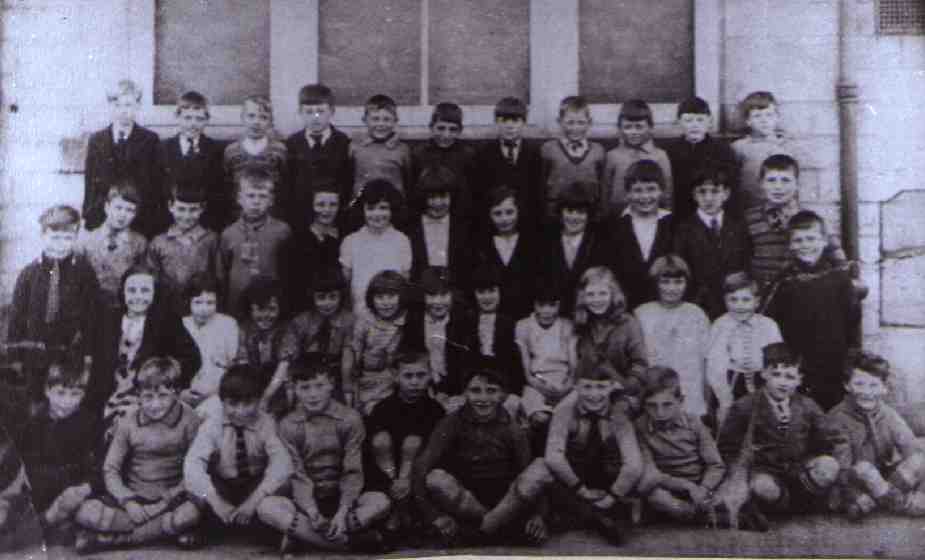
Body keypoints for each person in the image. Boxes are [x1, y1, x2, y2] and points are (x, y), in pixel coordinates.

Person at [258, 359, 391, 554]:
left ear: (331, 384)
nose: (313, 394)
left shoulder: (350, 419)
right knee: (266, 507)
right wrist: (311, 512)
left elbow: (352, 470)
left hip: (342, 499)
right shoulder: (289, 425)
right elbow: (298, 474)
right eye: (305, 388)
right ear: (294, 388)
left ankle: (305, 538)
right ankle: (349, 543)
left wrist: (342, 511)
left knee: (380, 502)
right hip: (304, 502)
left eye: (319, 386)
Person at [73, 357, 202, 553]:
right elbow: (111, 468)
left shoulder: (190, 419)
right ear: (138, 395)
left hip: (174, 496)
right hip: (135, 497)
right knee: (85, 512)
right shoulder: (129, 420)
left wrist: (163, 503)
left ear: (176, 393)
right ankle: (166, 530)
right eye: (148, 397)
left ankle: (111, 541)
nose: (155, 404)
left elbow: (196, 469)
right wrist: (128, 500)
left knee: (192, 512)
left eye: (163, 396)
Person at [412, 368, 546, 547]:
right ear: (464, 393)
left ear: (503, 395)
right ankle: (498, 530)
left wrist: (538, 515)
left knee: (540, 467)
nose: (483, 398)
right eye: (475, 391)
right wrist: (434, 516)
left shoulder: (512, 429)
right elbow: (421, 467)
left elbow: (526, 476)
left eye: (491, 391)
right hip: (467, 501)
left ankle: (482, 532)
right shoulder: (451, 423)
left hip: (504, 501)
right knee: (435, 478)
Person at [518, 360, 643, 545]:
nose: (594, 395)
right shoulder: (565, 410)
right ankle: (597, 517)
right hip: (573, 474)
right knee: (546, 478)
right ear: (576, 386)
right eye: (587, 387)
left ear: (612, 387)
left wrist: (610, 498)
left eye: (601, 387)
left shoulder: (618, 412)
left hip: (605, 472)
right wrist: (582, 491)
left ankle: (594, 512)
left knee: (633, 476)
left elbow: (633, 465)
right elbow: (554, 458)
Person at [717, 343, 839, 519]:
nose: (782, 382)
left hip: (798, 469)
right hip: (763, 470)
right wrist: (739, 475)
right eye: (776, 375)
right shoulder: (745, 406)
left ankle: (800, 503)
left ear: (799, 380)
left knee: (829, 466)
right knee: (763, 487)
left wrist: (816, 460)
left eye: (789, 377)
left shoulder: (808, 406)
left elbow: (826, 440)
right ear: (764, 373)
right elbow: (728, 447)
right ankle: (775, 507)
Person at [763, 210, 862, 411]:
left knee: (832, 408)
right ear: (790, 245)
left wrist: (850, 357)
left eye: (811, 239)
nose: (805, 245)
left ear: (824, 241)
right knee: (800, 409)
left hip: (833, 357)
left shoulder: (839, 277)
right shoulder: (785, 280)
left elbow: (853, 317)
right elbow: (771, 320)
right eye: (798, 240)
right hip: (797, 358)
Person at [183, 365, 293, 543]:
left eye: (248, 403)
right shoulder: (212, 424)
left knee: (282, 486)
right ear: (222, 401)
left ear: (259, 401)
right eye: (233, 404)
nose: (240, 411)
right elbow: (193, 463)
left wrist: (254, 501)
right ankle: (208, 528)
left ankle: (261, 530)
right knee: (195, 492)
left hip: (254, 485)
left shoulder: (267, 423)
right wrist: (215, 500)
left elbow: (281, 464)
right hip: (223, 486)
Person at [91, 263, 201, 428]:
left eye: (145, 291)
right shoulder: (109, 319)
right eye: (132, 291)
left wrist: (163, 376)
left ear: (154, 293)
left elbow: (193, 358)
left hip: (147, 395)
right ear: (123, 292)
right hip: (107, 393)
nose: (138, 297)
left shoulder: (166, 321)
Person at [8, 205, 100, 400]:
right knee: (36, 399)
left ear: (75, 238)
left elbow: (92, 315)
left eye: (68, 238)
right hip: (36, 349)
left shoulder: (84, 272)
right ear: (43, 236)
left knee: (67, 398)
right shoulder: (29, 273)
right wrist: (15, 354)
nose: (60, 245)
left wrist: (89, 353)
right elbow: (17, 315)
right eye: (55, 238)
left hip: (70, 351)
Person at [823, 351, 925, 519]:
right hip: (852, 483)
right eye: (859, 384)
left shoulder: (888, 414)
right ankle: (902, 504)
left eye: (873, 385)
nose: (866, 392)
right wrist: (854, 495)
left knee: (919, 460)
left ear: (884, 388)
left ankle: (885, 501)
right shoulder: (837, 418)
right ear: (847, 385)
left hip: (883, 482)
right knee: (864, 469)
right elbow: (842, 469)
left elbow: (911, 449)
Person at [363, 350, 446, 540]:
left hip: (417, 476)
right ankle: (400, 513)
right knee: (380, 440)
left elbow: (436, 452)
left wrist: (408, 480)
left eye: (421, 375)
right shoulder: (383, 409)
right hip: (388, 478)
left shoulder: (434, 411)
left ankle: (402, 516)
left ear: (430, 375)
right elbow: (370, 452)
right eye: (408, 376)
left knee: (413, 443)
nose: (415, 382)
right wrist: (392, 483)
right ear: (395, 376)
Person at [18, 357, 100, 545]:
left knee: (77, 503)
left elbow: (96, 464)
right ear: (47, 390)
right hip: (41, 486)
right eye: (60, 393)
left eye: (75, 394)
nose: (67, 402)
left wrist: (85, 486)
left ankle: (45, 525)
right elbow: (26, 463)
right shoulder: (35, 424)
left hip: (73, 486)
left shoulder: (89, 422)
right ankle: (45, 523)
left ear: (83, 394)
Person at [634, 367, 729, 526]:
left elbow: (716, 465)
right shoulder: (640, 427)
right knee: (658, 498)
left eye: (667, 405)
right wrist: (686, 486)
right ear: (643, 404)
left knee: (729, 491)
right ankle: (706, 518)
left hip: (701, 485)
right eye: (652, 405)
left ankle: (697, 512)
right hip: (668, 486)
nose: (660, 412)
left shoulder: (694, 423)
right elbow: (651, 473)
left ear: (680, 401)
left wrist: (703, 488)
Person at [83, 79, 164, 237]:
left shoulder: (150, 140)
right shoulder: (97, 140)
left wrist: (152, 221)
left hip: (138, 219)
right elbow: (90, 182)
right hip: (103, 217)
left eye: (128, 105)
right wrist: (89, 217)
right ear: (110, 106)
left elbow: (155, 185)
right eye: (117, 105)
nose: (123, 111)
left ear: (137, 106)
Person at [634, 255, 711, 419]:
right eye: (665, 282)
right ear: (656, 283)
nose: (672, 288)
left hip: (690, 393)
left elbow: (705, 361)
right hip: (654, 394)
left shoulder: (696, 314)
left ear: (686, 283)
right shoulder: (642, 314)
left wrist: (707, 399)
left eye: (678, 282)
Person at [672, 163, 750, 319]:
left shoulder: (738, 227)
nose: (708, 198)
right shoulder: (684, 229)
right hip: (697, 306)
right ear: (694, 195)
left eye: (715, 191)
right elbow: (681, 270)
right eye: (702, 192)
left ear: (726, 194)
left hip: (733, 305)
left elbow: (744, 263)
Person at [705, 272, 782, 428]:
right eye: (733, 300)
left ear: (757, 302)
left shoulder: (768, 325)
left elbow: (777, 359)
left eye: (746, 300)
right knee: (733, 422)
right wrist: (724, 397)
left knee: (763, 422)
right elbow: (715, 365)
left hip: (762, 382)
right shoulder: (721, 325)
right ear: (725, 301)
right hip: (732, 382)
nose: (739, 305)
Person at [217, 164, 293, 315]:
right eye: (251, 196)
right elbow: (221, 275)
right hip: (236, 306)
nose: (256, 202)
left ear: (271, 200)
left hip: (270, 307)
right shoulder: (229, 234)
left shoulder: (282, 231)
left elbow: (289, 273)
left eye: (262, 196)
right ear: (239, 199)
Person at [602, 159, 674, 311]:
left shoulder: (672, 223)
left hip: (664, 307)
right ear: (628, 193)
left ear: (661, 191)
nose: (645, 196)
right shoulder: (613, 226)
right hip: (625, 308)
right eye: (638, 190)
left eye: (651, 189)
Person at [573, 267, 648, 408]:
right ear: (583, 297)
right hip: (588, 393)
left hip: (623, 394)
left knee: (617, 418)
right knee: (565, 414)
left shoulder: (627, 322)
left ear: (613, 294)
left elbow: (640, 364)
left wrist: (628, 385)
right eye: (591, 294)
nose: (597, 300)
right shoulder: (582, 324)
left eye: (603, 293)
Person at [516, 281, 577, 451]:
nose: (546, 311)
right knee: (540, 418)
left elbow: (574, 367)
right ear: (534, 304)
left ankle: (558, 457)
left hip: (564, 382)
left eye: (552, 305)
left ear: (559, 305)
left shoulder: (567, 325)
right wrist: (541, 388)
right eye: (541, 305)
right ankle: (538, 455)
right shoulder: (523, 326)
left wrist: (564, 389)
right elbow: (526, 371)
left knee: (566, 421)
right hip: (536, 383)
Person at [403, 267, 475, 409]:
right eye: (432, 295)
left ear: (452, 295)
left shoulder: (462, 320)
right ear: (423, 296)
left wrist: (461, 394)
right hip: (424, 387)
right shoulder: (414, 321)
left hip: (457, 389)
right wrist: (429, 391)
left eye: (444, 295)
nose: (438, 302)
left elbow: (468, 364)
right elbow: (411, 358)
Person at [471, 97, 543, 234]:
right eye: (504, 121)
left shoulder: (534, 153)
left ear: (524, 123)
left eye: (515, 121)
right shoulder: (484, 153)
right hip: (495, 224)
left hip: (526, 224)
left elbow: (536, 192)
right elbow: (480, 192)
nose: (510, 126)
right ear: (496, 122)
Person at [285, 83, 352, 229]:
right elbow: (289, 183)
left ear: (332, 111)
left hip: (334, 218)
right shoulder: (292, 143)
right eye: (309, 112)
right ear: (300, 112)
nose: (315, 118)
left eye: (321, 111)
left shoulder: (343, 142)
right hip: (301, 218)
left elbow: (347, 183)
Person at [339, 179, 412, 314]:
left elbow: (405, 283)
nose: (377, 214)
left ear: (392, 209)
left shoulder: (402, 241)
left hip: (393, 315)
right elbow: (345, 285)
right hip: (360, 314)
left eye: (383, 208)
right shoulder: (350, 241)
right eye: (371, 208)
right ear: (362, 210)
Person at [146, 185, 220, 317]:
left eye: (193, 210)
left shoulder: (211, 240)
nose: (186, 216)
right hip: (167, 312)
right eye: (181, 209)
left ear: (202, 208)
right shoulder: (158, 243)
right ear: (170, 206)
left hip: (202, 311)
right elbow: (152, 280)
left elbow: (219, 277)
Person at [159, 91, 227, 232]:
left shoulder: (215, 150)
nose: (192, 124)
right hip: (169, 224)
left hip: (204, 225)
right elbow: (159, 190)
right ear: (177, 117)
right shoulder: (163, 148)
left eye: (199, 119)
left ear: (207, 120)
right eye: (187, 118)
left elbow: (218, 193)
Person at [664, 96, 739, 220]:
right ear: (679, 122)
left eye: (700, 120)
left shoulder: (723, 151)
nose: (694, 125)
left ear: (709, 121)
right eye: (688, 120)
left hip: (713, 212)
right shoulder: (671, 152)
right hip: (681, 212)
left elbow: (731, 187)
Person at [470, 186, 539, 320]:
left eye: (509, 212)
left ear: (518, 212)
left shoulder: (531, 243)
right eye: (497, 213)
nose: (504, 219)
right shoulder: (481, 245)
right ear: (489, 215)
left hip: (526, 317)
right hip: (493, 318)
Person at [232, 276, 298, 417]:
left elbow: (282, 370)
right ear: (250, 308)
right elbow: (243, 362)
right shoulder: (244, 328)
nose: (265, 315)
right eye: (259, 310)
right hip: (253, 382)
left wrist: (265, 398)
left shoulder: (286, 330)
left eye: (272, 309)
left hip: (278, 385)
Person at [287, 267, 355, 402]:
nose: (327, 303)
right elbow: (292, 357)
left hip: (335, 375)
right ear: (312, 297)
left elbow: (347, 359)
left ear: (340, 296)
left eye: (333, 297)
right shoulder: (301, 321)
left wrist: (347, 389)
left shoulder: (349, 320)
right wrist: (291, 388)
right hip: (306, 373)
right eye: (321, 298)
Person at [78, 183, 148, 310]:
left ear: (136, 214)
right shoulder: (87, 240)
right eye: (118, 208)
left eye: (129, 210)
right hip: (92, 308)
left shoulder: (139, 243)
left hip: (125, 308)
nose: (122, 215)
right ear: (107, 207)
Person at [543, 181, 608, 317]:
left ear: (589, 215)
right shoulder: (548, 241)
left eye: (581, 212)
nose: (574, 217)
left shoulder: (599, 243)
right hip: (555, 315)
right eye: (569, 211)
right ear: (561, 212)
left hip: (589, 315)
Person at [731, 91, 806, 209]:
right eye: (757, 116)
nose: (764, 120)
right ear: (748, 121)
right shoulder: (740, 147)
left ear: (777, 117)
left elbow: (796, 180)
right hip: (751, 207)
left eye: (769, 115)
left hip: (783, 207)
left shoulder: (787, 146)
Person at [348, 271, 409, 415]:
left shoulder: (406, 319)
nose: (386, 303)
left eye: (392, 296)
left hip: (396, 378)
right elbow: (356, 351)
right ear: (371, 298)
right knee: (371, 411)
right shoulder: (365, 319)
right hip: (370, 378)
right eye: (380, 297)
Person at [539, 96, 605, 226]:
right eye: (570, 122)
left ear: (589, 122)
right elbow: (541, 184)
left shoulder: (598, 151)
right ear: (560, 121)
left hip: (587, 215)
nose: (575, 128)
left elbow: (602, 185)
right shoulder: (548, 149)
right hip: (555, 215)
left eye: (581, 123)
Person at [222, 95, 288, 225]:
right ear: (243, 118)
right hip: (238, 218)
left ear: (270, 121)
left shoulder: (279, 150)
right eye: (251, 116)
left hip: (271, 217)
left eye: (263, 117)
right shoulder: (231, 151)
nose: (256, 122)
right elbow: (227, 183)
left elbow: (284, 183)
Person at [603, 99, 673, 217]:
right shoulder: (612, 156)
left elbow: (667, 193)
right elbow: (605, 192)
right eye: (628, 127)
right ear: (620, 128)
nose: (633, 132)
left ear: (650, 127)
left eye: (639, 127)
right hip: (618, 217)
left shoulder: (660, 156)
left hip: (651, 215)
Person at [180, 273, 239, 408]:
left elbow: (232, 365)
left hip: (217, 392)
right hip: (185, 392)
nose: (204, 309)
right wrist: (181, 392)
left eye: (210, 303)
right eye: (198, 302)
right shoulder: (182, 324)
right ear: (189, 301)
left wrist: (214, 391)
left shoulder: (228, 324)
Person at [465, 265, 525, 399]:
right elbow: (464, 361)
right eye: (481, 292)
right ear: (474, 294)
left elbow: (515, 364)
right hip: (475, 382)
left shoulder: (510, 323)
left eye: (492, 291)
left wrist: (514, 393)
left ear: (500, 292)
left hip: (503, 383)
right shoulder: (468, 321)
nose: (487, 297)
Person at [406, 165, 471, 286]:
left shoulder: (463, 227)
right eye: (432, 197)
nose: (438, 203)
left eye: (443, 196)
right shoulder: (411, 227)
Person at [410, 102, 475, 216]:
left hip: (459, 214)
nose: (446, 135)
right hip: (427, 213)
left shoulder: (467, 155)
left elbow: (471, 190)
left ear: (460, 130)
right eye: (441, 128)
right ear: (431, 127)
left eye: (452, 129)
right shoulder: (419, 154)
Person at [287, 182, 343, 313]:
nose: (327, 210)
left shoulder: (345, 239)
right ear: (311, 206)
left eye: (333, 205)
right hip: (304, 312)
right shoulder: (296, 242)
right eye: (320, 204)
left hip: (336, 311)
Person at [349, 93, 412, 198]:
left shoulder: (402, 150)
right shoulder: (355, 147)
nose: (381, 124)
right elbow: (348, 178)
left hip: (393, 206)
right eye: (375, 119)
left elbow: (409, 181)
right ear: (365, 120)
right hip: (362, 205)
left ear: (395, 121)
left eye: (386, 119)